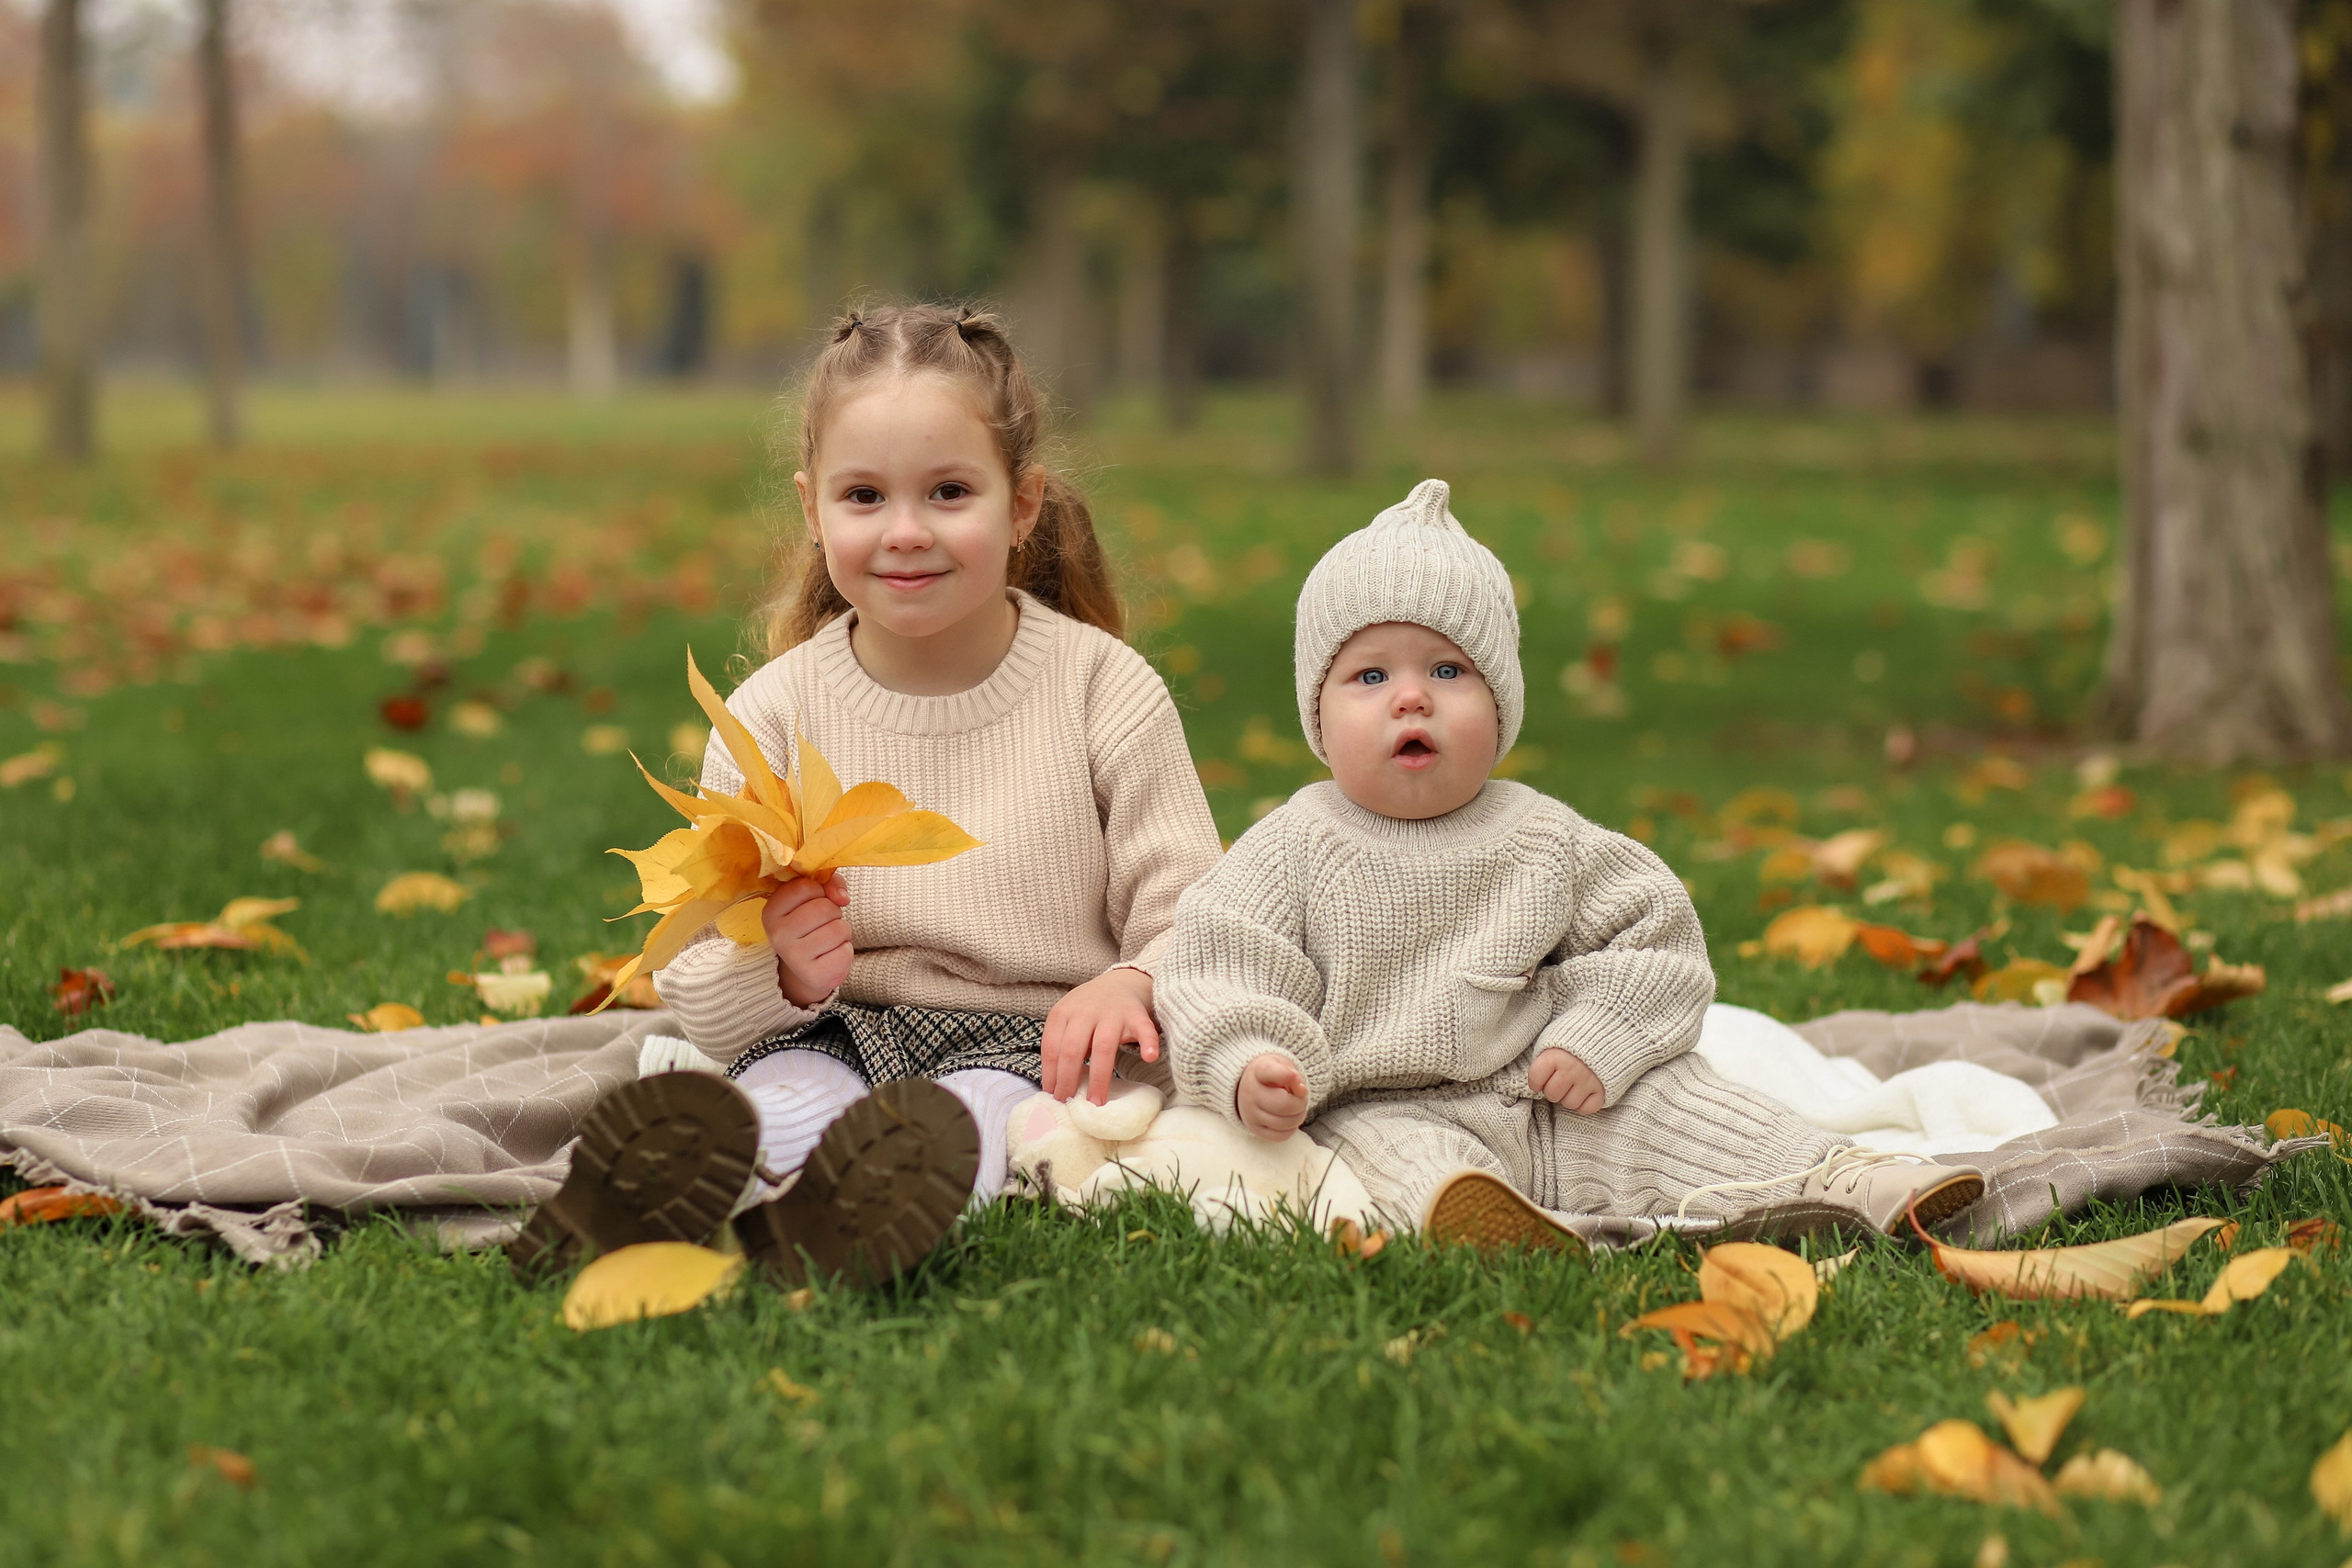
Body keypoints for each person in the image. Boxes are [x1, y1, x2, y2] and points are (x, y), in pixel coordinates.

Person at [511, 303, 1223, 1287]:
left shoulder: (1102, 690)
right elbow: (701, 979)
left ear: (1022, 506)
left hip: (1025, 1047)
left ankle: (834, 1223)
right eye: (863, 497)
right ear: (812, 509)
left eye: (946, 492)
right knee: (781, 1103)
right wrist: (783, 976)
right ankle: (666, 1195)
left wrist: (1132, 981)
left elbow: (1201, 916)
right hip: (831, 1027)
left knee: (963, 1131)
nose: (904, 533)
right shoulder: (772, 714)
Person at [1157, 479, 1984, 1246]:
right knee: (1387, 1159)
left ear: (1501, 704)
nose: (1412, 697)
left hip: (1553, 1094)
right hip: (1382, 1099)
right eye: (1370, 675)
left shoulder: (1544, 837)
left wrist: (1601, 1037)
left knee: (1679, 1108)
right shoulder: (1294, 844)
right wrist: (1250, 1062)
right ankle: (1484, 1225)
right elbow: (1216, 966)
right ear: (1318, 715)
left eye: (1448, 670)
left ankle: (1843, 1176)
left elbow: (1656, 938)